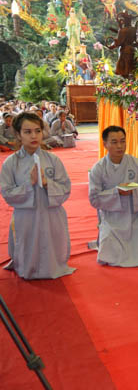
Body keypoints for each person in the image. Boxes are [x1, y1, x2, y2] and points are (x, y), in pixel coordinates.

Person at [0, 112, 74, 279]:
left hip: (51, 213)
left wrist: (47, 183)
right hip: (26, 216)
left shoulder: (53, 160)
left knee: (51, 245)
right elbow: (7, 193)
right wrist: (30, 184)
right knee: (27, 245)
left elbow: (65, 188)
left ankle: (53, 266)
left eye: (37, 131)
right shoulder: (11, 163)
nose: (34, 136)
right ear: (18, 134)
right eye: (27, 132)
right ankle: (26, 267)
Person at [89, 126, 138, 267]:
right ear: (105, 144)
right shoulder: (98, 168)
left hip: (134, 215)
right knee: (110, 255)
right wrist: (116, 192)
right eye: (114, 142)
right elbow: (94, 198)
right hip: (111, 217)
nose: (119, 146)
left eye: (122, 141)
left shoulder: (136, 164)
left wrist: (134, 191)